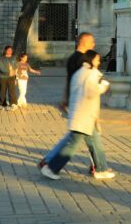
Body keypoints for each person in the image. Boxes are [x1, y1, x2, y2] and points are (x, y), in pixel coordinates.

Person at [41, 50, 114, 180]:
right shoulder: (90, 74)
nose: (99, 61)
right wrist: (103, 86)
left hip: (82, 115)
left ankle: (101, 169)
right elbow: (91, 92)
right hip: (84, 116)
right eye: (97, 59)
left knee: (95, 143)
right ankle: (52, 168)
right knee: (72, 146)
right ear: (91, 60)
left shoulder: (80, 72)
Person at [40, 32, 96, 170]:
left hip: (74, 100)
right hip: (81, 102)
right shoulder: (83, 60)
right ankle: (97, 165)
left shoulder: (72, 58)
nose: (93, 44)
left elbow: (68, 79)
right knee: (85, 136)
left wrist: (65, 97)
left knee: (76, 135)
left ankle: (48, 159)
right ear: (83, 42)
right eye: (91, 42)